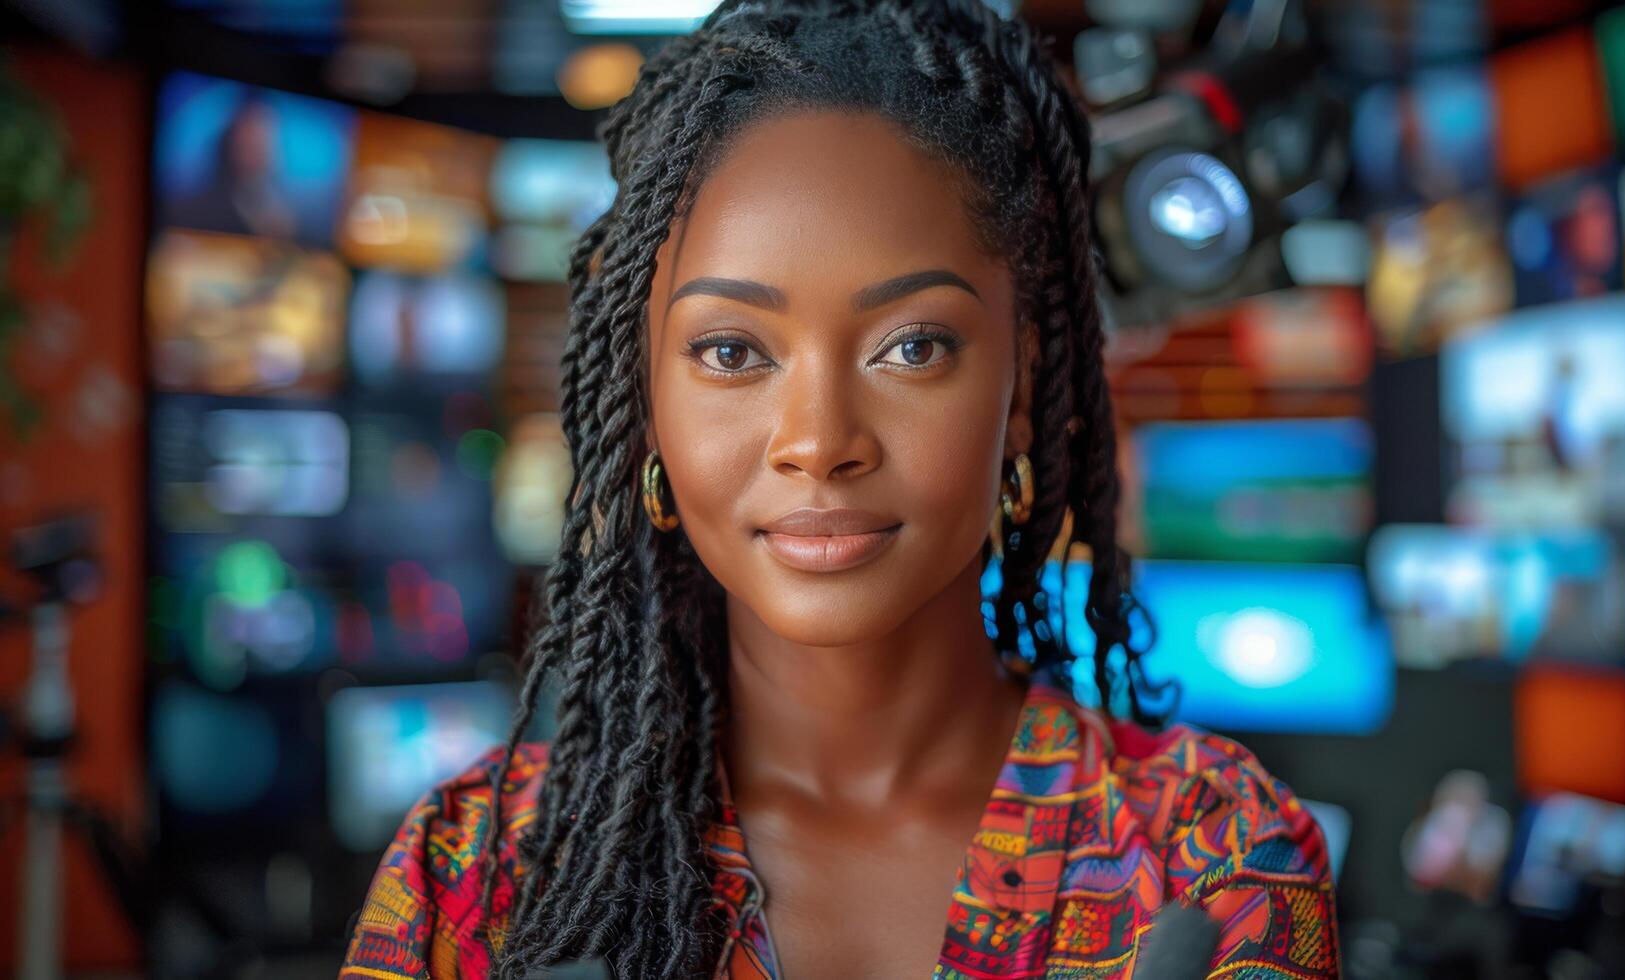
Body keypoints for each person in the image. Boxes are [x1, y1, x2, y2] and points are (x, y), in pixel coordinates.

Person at [340, 2, 1337, 977]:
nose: (819, 442)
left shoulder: (1211, 853)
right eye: (731, 350)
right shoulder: (472, 879)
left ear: (1022, 385)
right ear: (647, 397)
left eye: (911, 346)